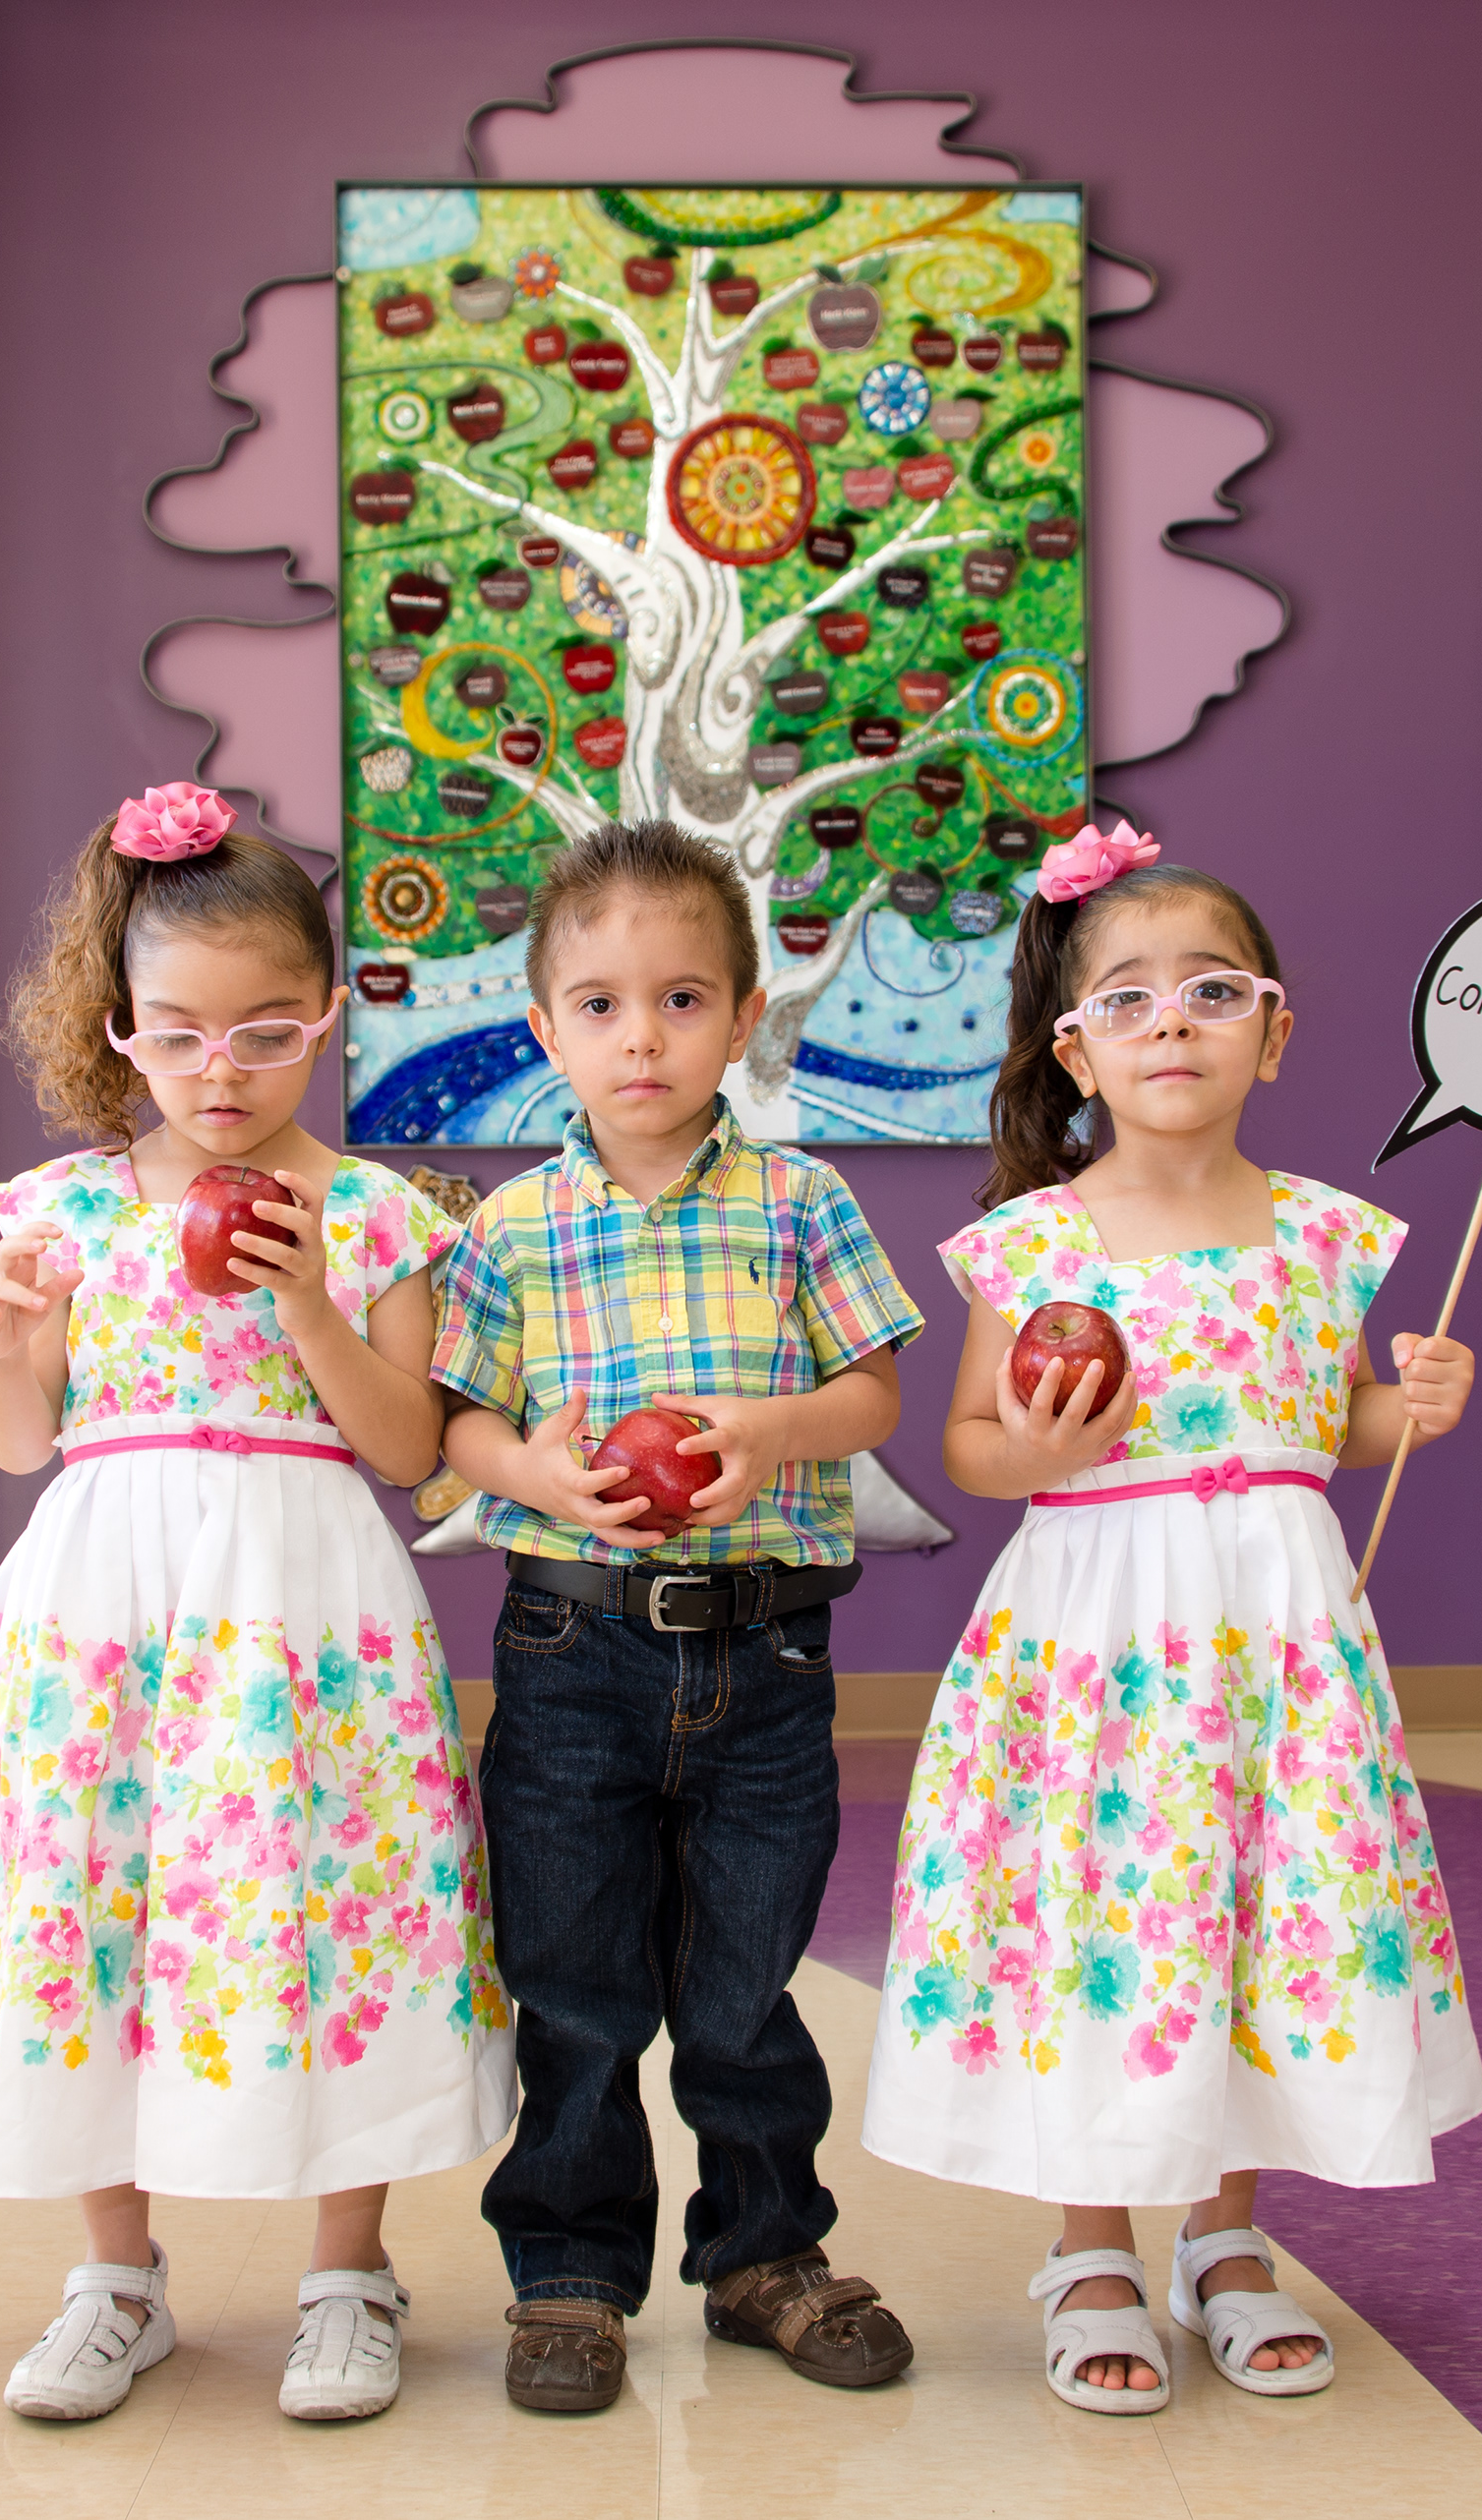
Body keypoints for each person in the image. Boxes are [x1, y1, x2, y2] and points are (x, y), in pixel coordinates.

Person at [0, 782, 507, 2428]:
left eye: (269, 1032)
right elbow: (18, 1444)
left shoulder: (374, 1213)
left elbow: (410, 1449)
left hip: (303, 1601)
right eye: (183, 1035)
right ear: (119, 1031)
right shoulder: (62, 1213)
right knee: (102, 1891)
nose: (225, 1072)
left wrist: (310, 1305)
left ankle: (348, 2268)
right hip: (106, 1598)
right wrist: (2, 1343)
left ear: (328, 1021)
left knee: (325, 1899)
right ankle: (115, 2277)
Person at [860, 819, 1482, 2415]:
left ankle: (1225, 2233)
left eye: (1213, 992)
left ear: (1275, 1033)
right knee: (1106, 1910)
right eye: (1127, 1000)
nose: (1171, 1026)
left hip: (1274, 1633)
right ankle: (1090, 2241)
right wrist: (1038, 1448)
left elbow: (1316, 1423)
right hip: (1096, 1640)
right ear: (1074, 1049)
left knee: (1255, 1905)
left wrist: (1405, 1408)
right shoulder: (1037, 1240)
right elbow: (973, 1448)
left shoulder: (1329, 1235)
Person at [431, 818, 929, 2415]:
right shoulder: (507, 1229)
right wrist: (542, 1474)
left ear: (746, 1008)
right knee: (573, 1979)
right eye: (597, 1005)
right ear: (544, 1028)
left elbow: (871, 1396)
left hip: (769, 1649)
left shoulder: (801, 1199)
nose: (639, 1037)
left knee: (744, 1979)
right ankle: (569, 2273)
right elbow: (459, 1430)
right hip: (571, 1648)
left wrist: (765, 1434)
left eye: (681, 1000)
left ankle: (764, 2249)